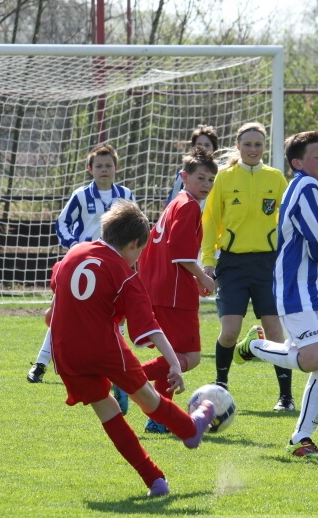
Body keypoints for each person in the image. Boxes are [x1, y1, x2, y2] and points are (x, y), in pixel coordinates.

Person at [49, 199, 215, 496]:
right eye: (141, 251)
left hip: (65, 351)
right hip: (103, 346)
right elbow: (149, 327)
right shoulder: (124, 274)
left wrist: (54, 314)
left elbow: (56, 296)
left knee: (107, 411)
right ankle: (190, 431)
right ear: (134, 244)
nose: (139, 258)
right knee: (148, 398)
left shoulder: (74, 253)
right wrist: (174, 363)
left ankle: (155, 479)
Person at [233, 130, 318, 459]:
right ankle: (254, 346)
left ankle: (302, 437)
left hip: (316, 287)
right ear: (298, 163)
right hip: (296, 288)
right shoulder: (305, 186)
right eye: (317, 156)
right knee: (312, 357)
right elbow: (315, 241)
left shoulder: (307, 189)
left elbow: (311, 241)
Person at [200, 122, 294, 410]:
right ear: (238, 146)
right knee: (229, 330)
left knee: (275, 331)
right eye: (248, 144)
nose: (253, 149)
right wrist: (208, 262)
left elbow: (290, 220)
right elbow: (211, 220)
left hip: (268, 264)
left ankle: (286, 397)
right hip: (232, 264)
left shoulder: (276, 178)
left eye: (258, 144)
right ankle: (221, 386)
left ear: (264, 148)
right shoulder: (224, 179)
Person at [27, 143, 136, 385]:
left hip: (114, 267)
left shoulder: (126, 195)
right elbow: (62, 223)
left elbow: (135, 226)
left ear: (116, 168)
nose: (104, 169)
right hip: (84, 267)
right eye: (99, 166)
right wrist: (75, 246)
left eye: (108, 165)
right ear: (90, 169)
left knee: (117, 317)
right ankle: (41, 363)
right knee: (66, 314)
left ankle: (118, 368)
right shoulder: (81, 195)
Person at [137, 147, 219, 433]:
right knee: (191, 357)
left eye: (211, 179)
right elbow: (181, 255)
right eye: (201, 178)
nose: (206, 185)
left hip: (160, 287)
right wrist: (204, 278)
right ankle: (128, 380)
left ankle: (157, 419)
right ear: (184, 177)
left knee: (171, 354)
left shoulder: (177, 202)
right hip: (172, 294)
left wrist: (194, 279)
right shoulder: (188, 206)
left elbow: (173, 253)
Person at [166, 125, 220, 204]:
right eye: (199, 145)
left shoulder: (222, 173)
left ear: (214, 148)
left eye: (207, 145)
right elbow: (173, 201)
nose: (203, 148)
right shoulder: (184, 174)